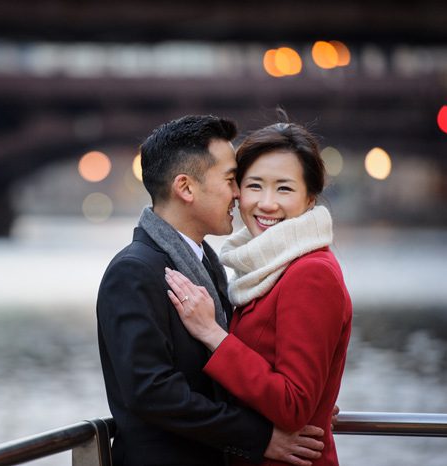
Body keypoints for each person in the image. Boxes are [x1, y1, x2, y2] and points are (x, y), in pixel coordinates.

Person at [97, 115, 325, 466]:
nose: (239, 193)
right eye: (232, 180)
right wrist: (260, 436)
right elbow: (153, 393)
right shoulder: (134, 271)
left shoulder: (208, 262)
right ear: (186, 188)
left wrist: (295, 407)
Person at [164, 119, 353, 466]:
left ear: (309, 198)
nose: (266, 204)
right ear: (238, 192)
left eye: (284, 189)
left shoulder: (310, 274)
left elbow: (294, 405)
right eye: (254, 186)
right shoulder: (262, 269)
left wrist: (212, 334)